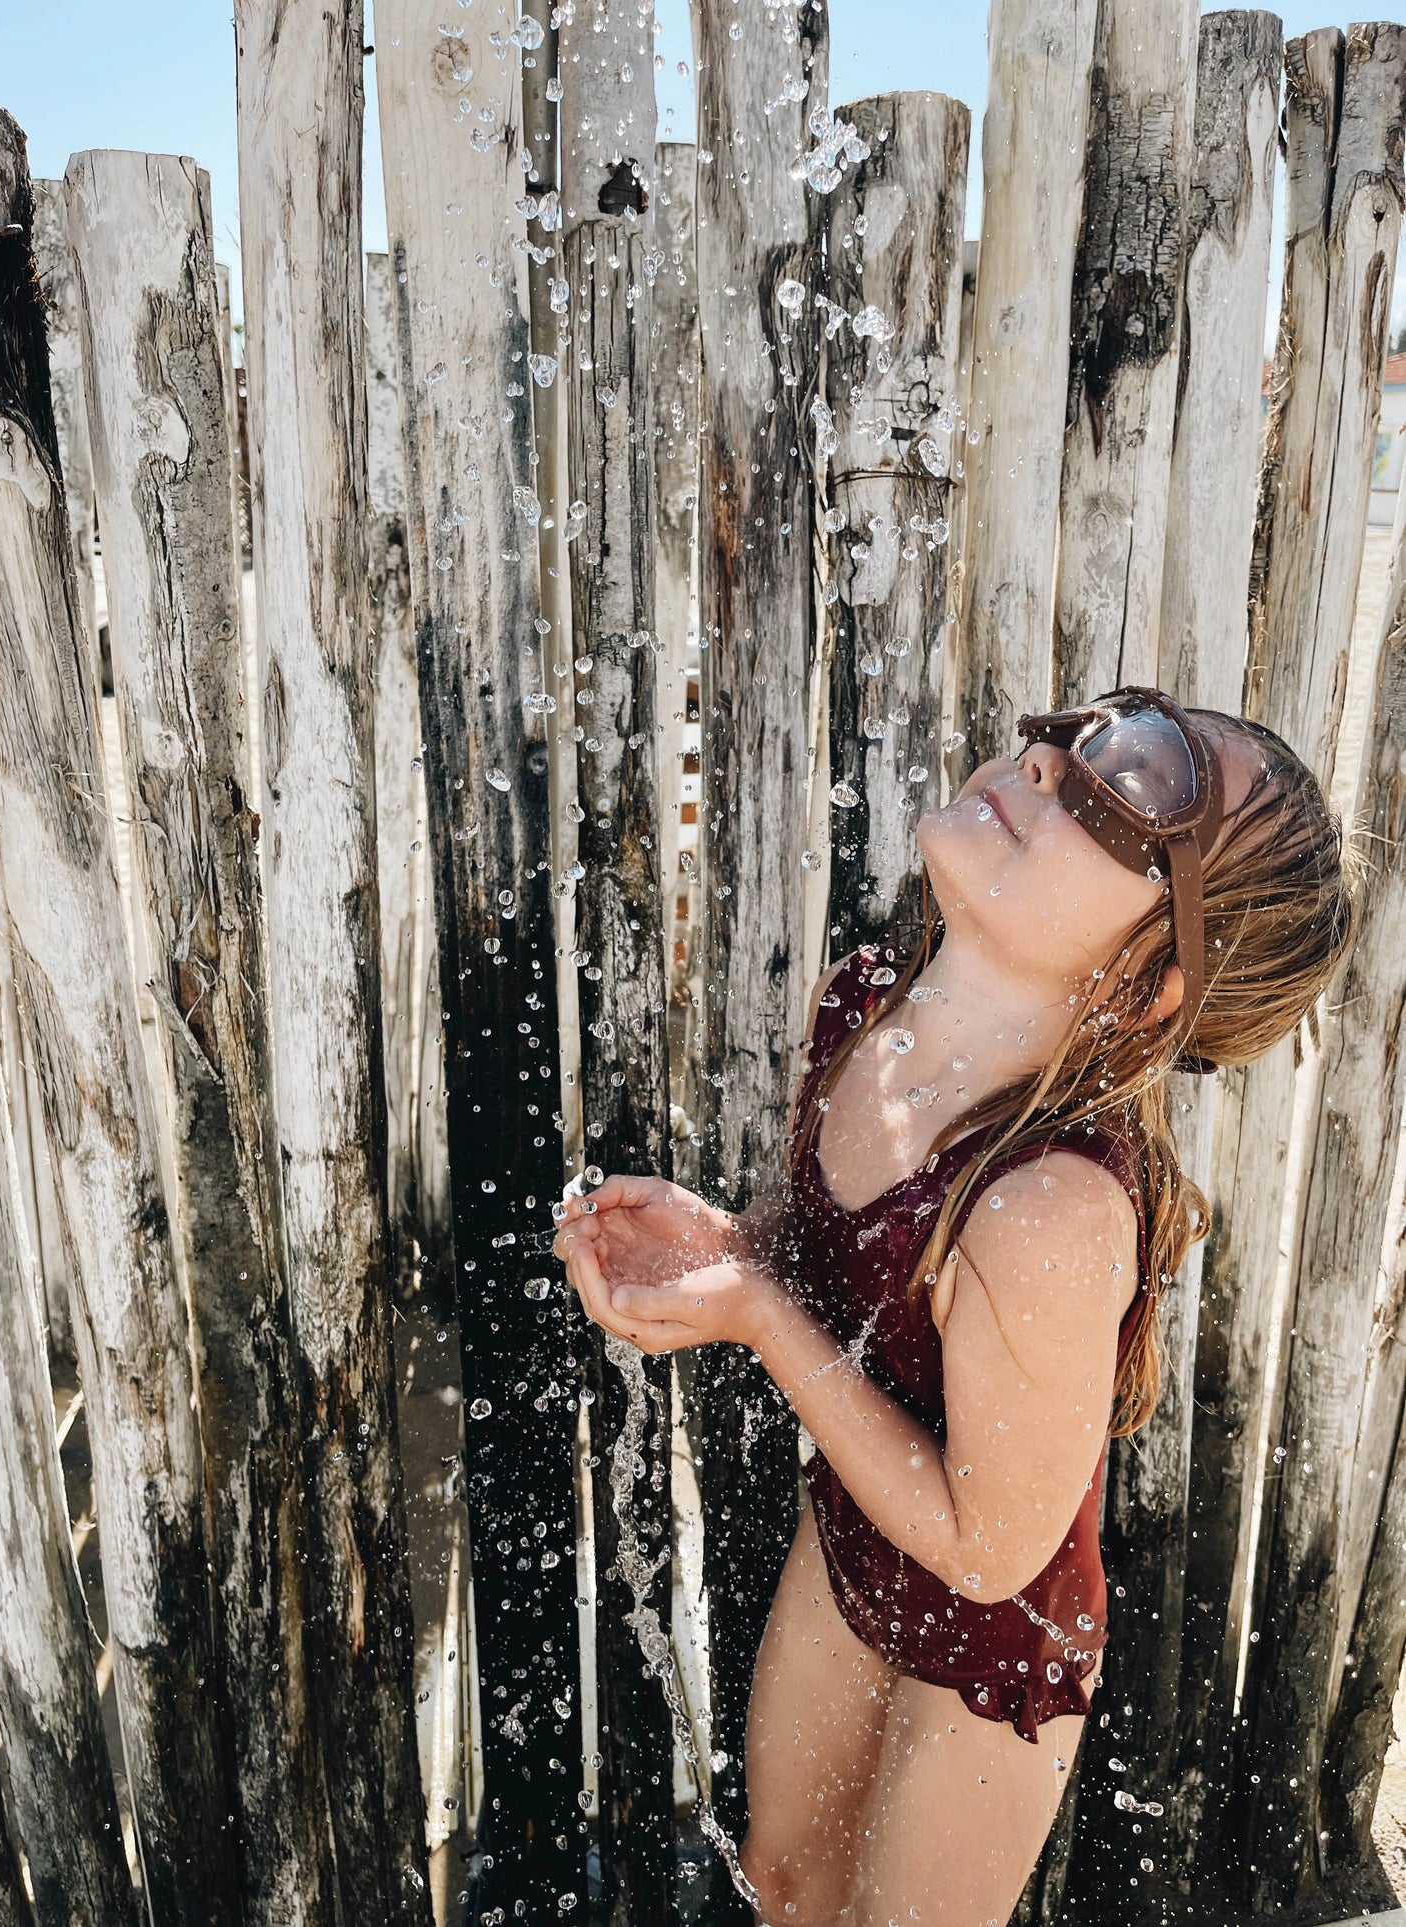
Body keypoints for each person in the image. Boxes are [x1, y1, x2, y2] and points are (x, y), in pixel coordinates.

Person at [552, 688, 1364, 1927]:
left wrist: (760, 1317)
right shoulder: (867, 1009)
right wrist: (732, 1248)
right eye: (1078, 732)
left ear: (1151, 981)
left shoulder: (1048, 1207)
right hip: (857, 1543)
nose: (1050, 765)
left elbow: (988, 1549)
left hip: (999, 1645)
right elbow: (843, 1275)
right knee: (782, 1881)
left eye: (1137, 787)